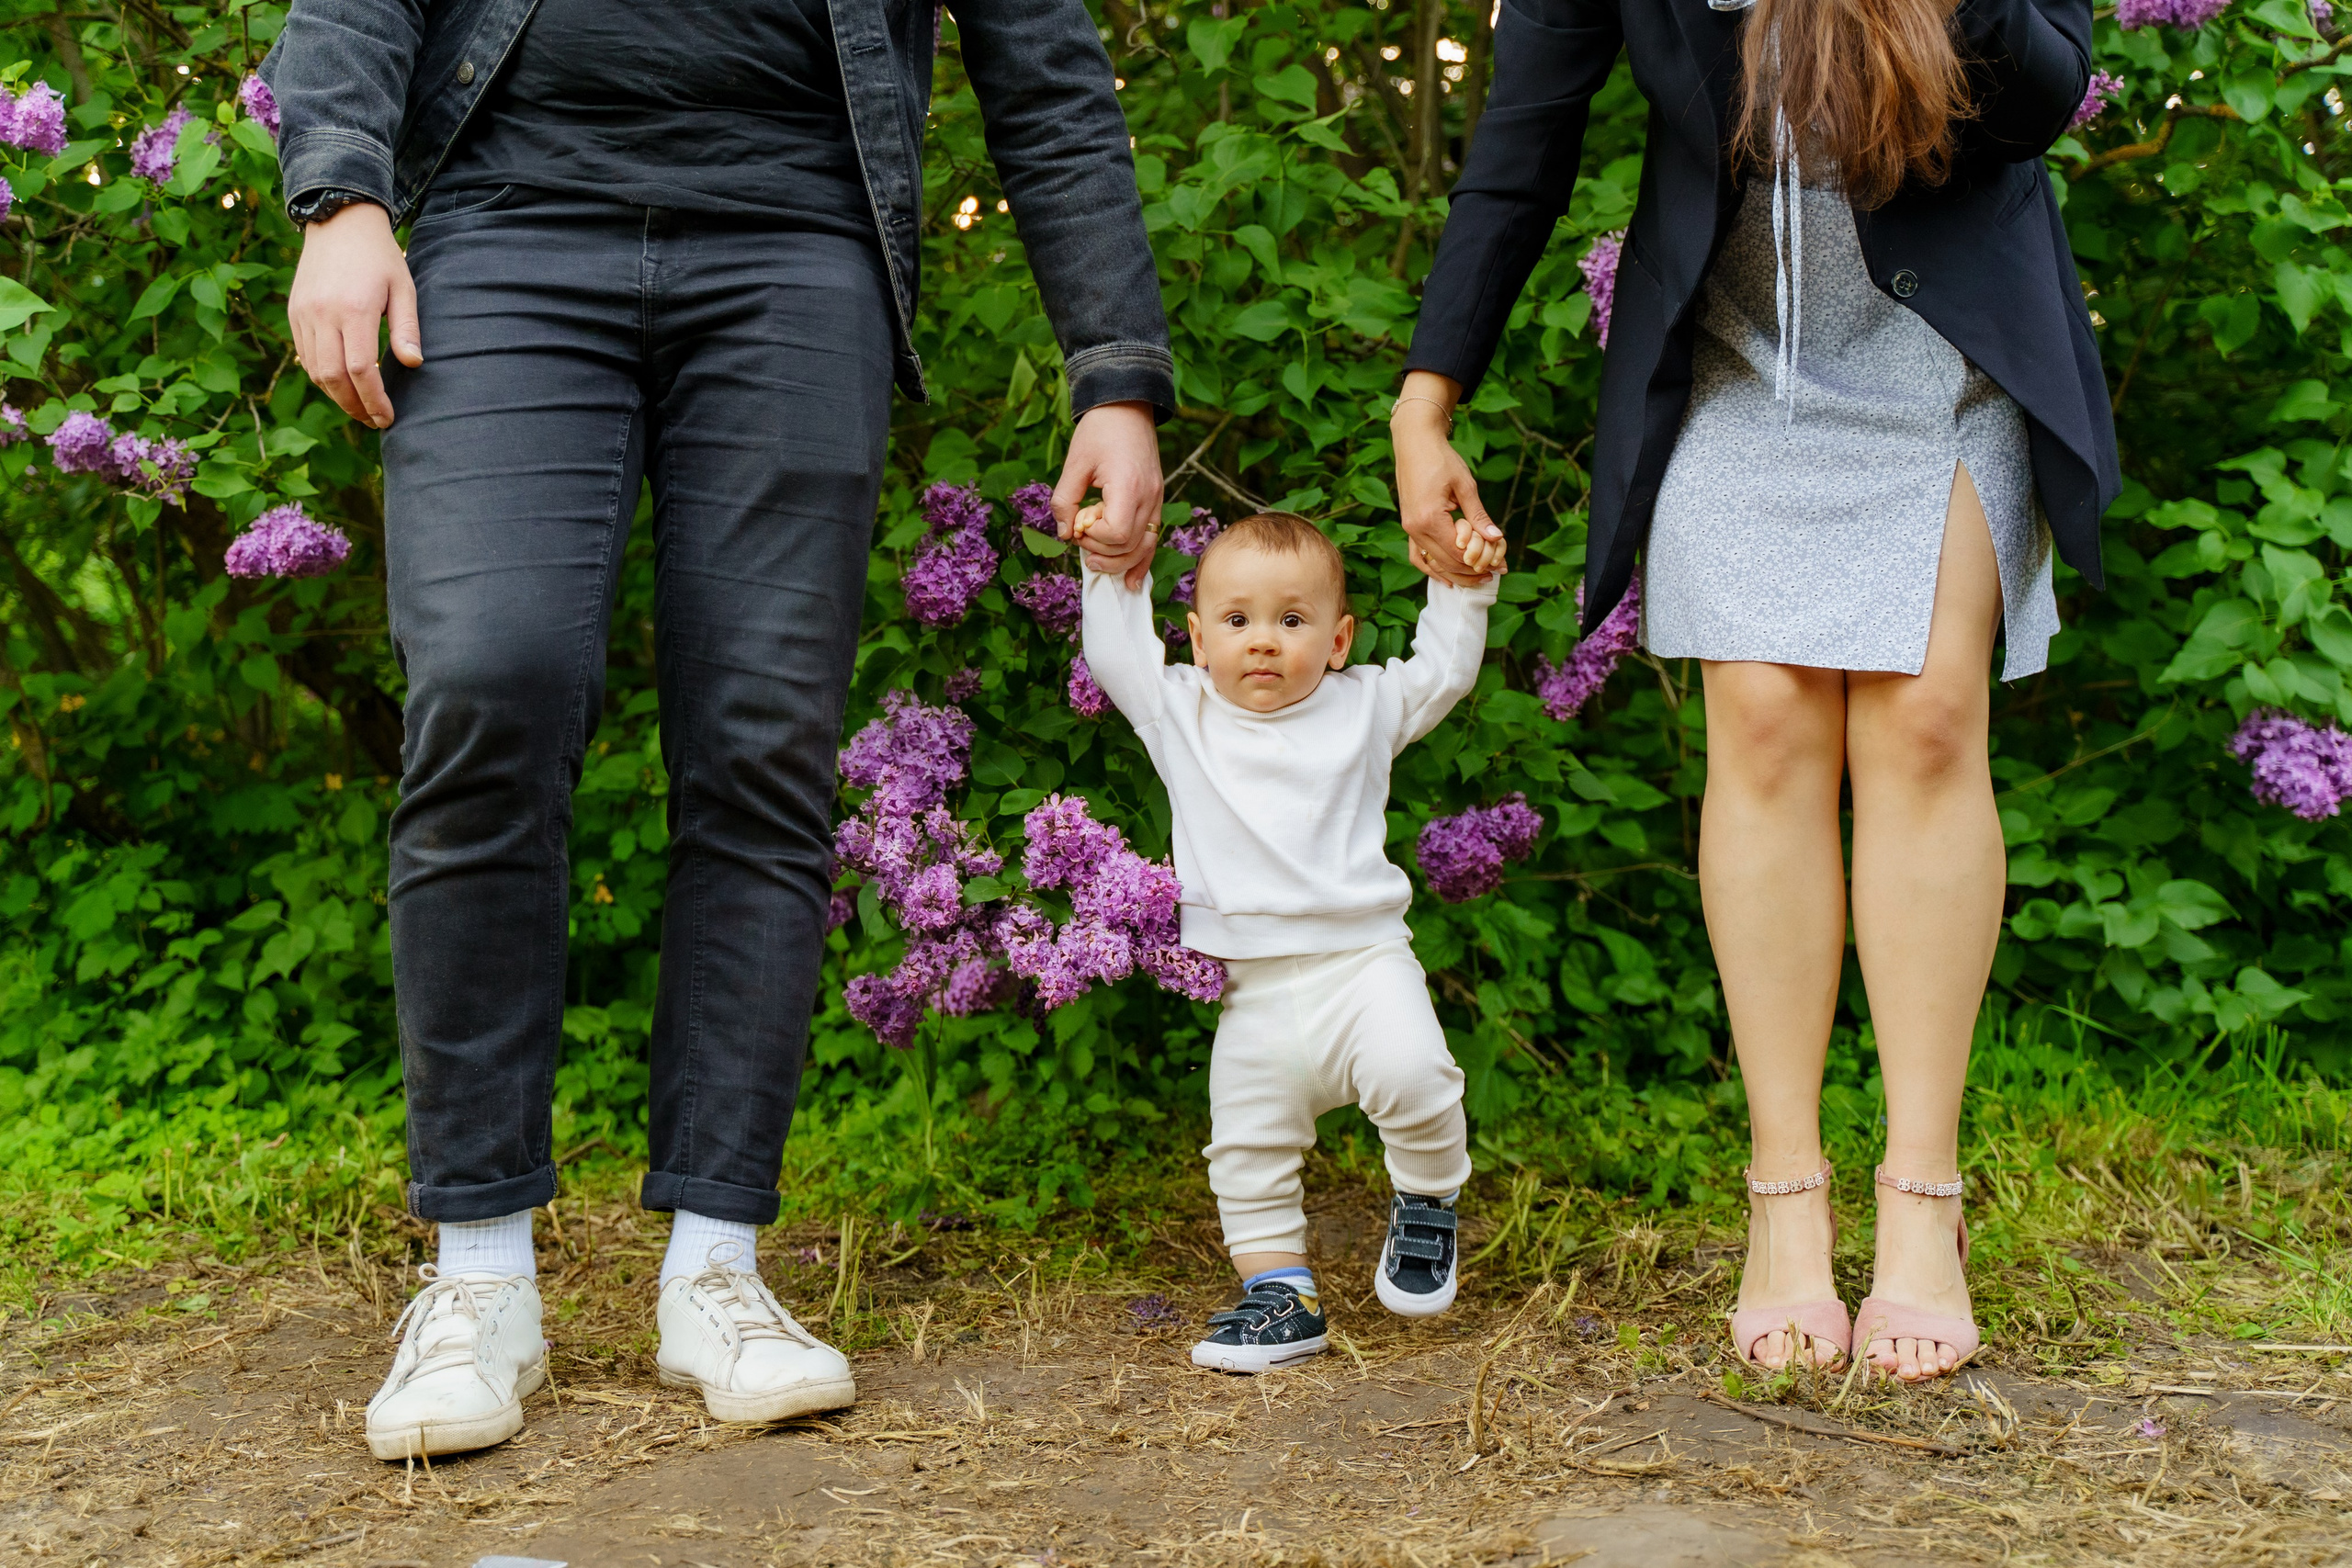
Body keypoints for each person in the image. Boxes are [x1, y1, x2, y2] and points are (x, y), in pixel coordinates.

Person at [260, 0, 1172, 1458]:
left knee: (761, 733)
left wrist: (1115, 371)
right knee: (486, 685)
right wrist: (343, 189)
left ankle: (717, 1266)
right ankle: (479, 1274)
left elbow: (1047, 71)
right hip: (503, 221)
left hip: (797, 241)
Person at [1391, 0, 2117, 1381]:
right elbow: (1522, 142)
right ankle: (1786, 1199)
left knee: (1927, 717)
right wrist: (1429, 398)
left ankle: (1922, 1203)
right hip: (1741, 362)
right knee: (1769, 723)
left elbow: (2047, 89)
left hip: (1944, 358)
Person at [1070, 504, 1505, 1372]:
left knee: (1419, 1076)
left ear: (1338, 640)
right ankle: (1281, 1295)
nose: (1262, 641)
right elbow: (1116, 653)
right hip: (1253, 991)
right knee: (1245, 1151)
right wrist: (1112, 566)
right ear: (1197, 639)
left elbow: (1444, 671)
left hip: (1364, 963)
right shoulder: (1180, 712)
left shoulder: (1366, 705)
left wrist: (1462, 584)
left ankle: (1426, 1196)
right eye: (1237, 620)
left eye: (1292, 619)